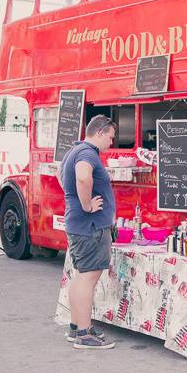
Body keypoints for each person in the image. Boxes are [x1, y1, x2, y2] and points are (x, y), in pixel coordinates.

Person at [58, 114, 118, 350]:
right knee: (88, 278)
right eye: (110, 137)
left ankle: (77, 328)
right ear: (100, 132)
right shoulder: (87, 153)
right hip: (90, 227)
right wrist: (86, 205)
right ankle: (84, 335)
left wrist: (75, 201)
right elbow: (83, 177)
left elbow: (60, 176)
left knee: (81, 276)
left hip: (79, 225)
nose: (111, 143)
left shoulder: (74, 150)